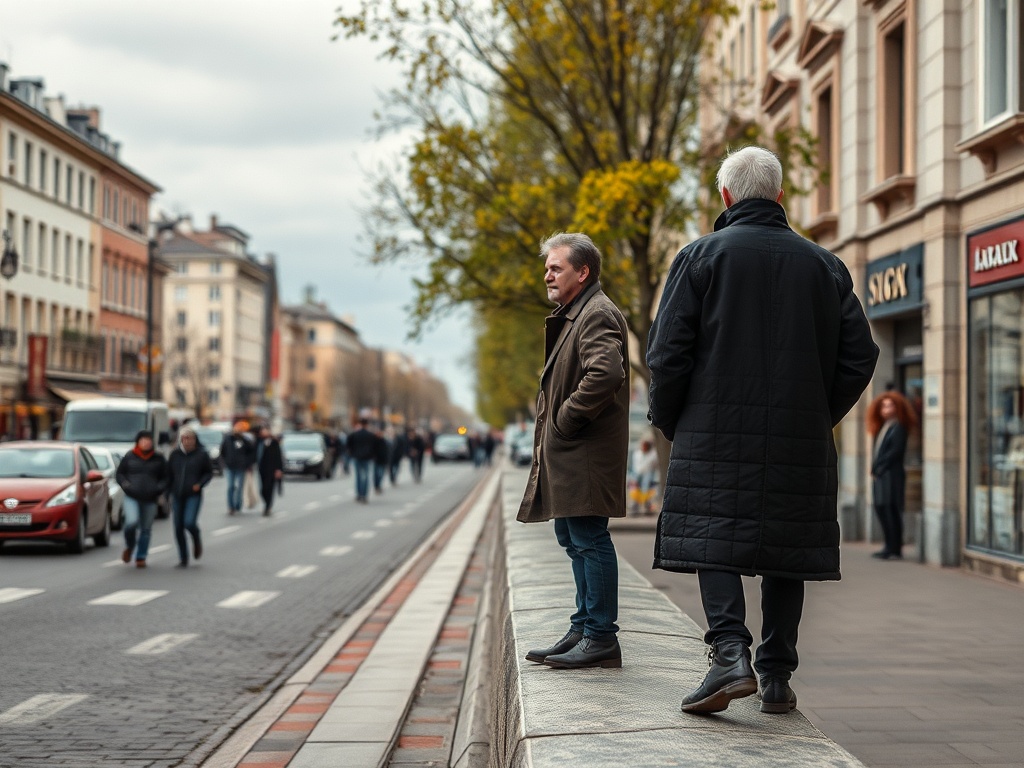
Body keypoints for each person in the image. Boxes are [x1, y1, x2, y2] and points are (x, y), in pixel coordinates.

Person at [647, 146, 878, 715]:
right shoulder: (825, 265)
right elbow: (861, 355)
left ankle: (729, 654)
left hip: (713, 429)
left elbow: (666, 354)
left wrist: (673, 419)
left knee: (711, 534)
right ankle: (776, 677)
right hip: (799, 434)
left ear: (726, 196)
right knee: (786, 548)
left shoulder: (700, 257)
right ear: (779, 196)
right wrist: (817, 414)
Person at [518, 232, 630, 670]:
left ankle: (601, 636)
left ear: (582, 272)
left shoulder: (595, 313)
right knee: (573, 538)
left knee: (588, 538)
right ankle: (584, 627)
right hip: (573, 453)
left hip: (583, 452)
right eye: (547, 266)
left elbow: (606, 372)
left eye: (556, 267)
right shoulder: (575, 313)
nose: (547, 273)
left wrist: (564, 420)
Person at [866, 391, 916, 560]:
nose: (886, 409)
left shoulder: (899, 427)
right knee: (881, 509)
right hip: (881, 476)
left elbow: (894, 453)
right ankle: (889, 545)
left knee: (890, 510)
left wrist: (879, 468)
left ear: (898, 407)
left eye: (890, 405)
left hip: (891, 476)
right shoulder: (884, 427)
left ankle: (894, 547)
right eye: (883, 406)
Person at [116, 430, 170, 569]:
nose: (146, 443)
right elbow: (120, 474)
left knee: (145, 529)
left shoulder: (158, 458)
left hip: (150, 498)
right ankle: (130, 546)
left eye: (148, 440)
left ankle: (141, 556)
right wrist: (126, 485)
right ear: (138, 442)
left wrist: (159, 488)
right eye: (143, 440)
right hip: (132, 496)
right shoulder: (129, 456)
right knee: (131, 523)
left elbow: (166, 477)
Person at [166, 426, 213, 567]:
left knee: (189, 522)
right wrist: (167, 492)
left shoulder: (201, 454)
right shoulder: (175, 455)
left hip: (193, 494)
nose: (187, 441)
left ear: (195, 439)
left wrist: (200, 484)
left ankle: (196, 536)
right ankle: (183, 557)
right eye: (184, 438)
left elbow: (208, 473)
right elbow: (169, 475)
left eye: (190, 438)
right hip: (177, 494)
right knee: (178, 526)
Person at [220, 421, 254, 515]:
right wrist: (225, 462)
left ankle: (238, 504)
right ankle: (231, 507)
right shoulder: (227, 439)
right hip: (230, 467)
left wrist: (248, 464)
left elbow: (251, 453)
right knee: (231, 486)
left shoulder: (245, 441)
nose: (238, 431)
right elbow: (222, 451)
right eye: (236, 428)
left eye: (240, 429)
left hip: (241, 467)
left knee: (239, 487)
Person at [256, 425, 284, 517]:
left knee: (270, 488)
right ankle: (266, 503)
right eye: (262, 430)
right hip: (262, 469)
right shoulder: (259, 442)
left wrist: (279, 469)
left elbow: (279, 456)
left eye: (265, 430)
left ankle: (268, 506)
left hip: (272, 469)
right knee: (263, 490)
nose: (263, 432)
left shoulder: (274, 443)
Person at [346, 418, 375, 502]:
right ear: (367, 425)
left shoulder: (355, 434)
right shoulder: (370, 435)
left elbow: (348, 445)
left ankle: (359, 494)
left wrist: (352, 453)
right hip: (367, 457)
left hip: (357, 457)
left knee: (358, 476)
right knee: (365, 476)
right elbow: (374, 446)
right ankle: (364, 495)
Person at [629, 439, 659, 516]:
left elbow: (651, 466)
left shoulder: (652, 455)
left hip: (647, 475)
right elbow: (636, 467)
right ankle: (635, 506)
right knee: (635, 489)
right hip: (638, 474)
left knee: (646, 489)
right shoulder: (637, 454)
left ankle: (647, 506)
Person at [372, 426, 389, 494]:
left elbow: (386, 451)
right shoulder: (374, 441)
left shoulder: (384, 441)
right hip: (376, 460)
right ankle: (376, 486)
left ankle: (378, 486)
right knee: (376, 474)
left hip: (382, 460)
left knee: (381, 474)